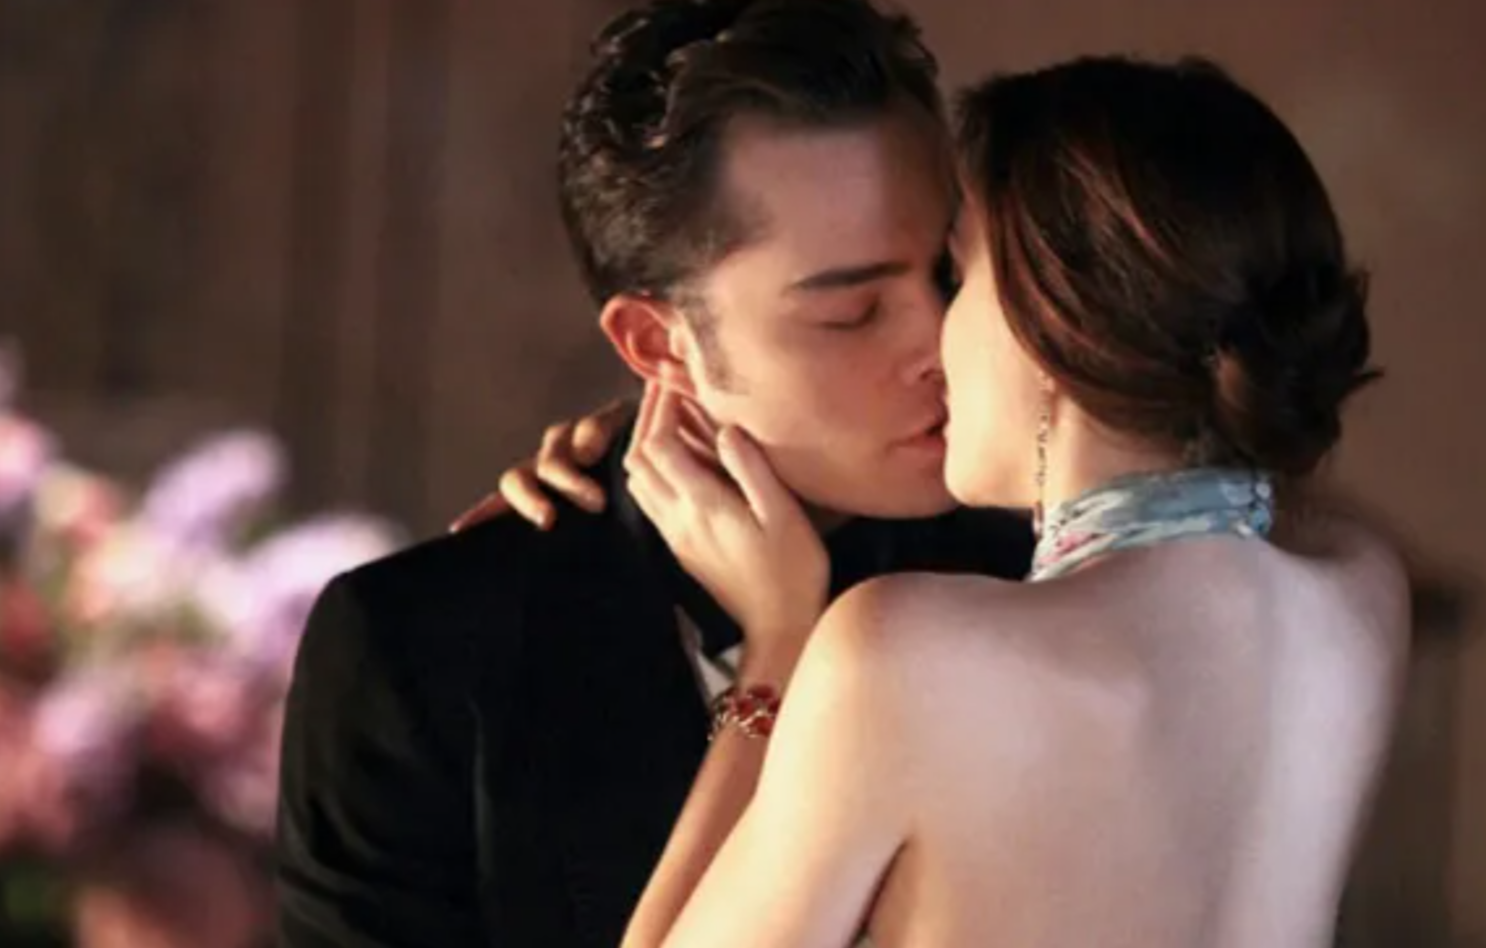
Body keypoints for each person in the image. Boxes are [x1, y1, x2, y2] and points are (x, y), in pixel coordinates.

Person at [476, 57, 1410, 948]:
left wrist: (780, 642)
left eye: (954, 277)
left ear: (1051, 324)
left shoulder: (906, 655)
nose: (929, 342)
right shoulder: (1361, 594)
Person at [273, 2, 1034, 946]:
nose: (940, 343)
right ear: (657, 344)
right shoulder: (423, 653)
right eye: (852, 314)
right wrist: (780, 654)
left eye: (951, 276)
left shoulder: (1047, 590)